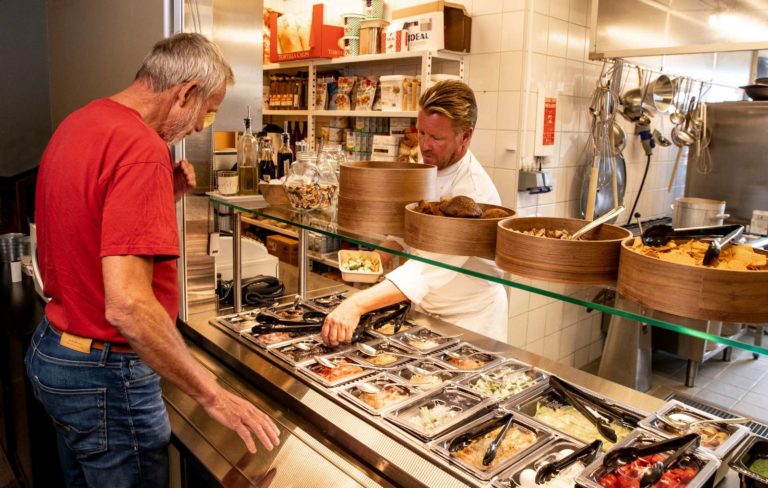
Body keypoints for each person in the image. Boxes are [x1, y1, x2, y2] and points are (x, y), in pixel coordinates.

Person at [26, 33, 280, 488]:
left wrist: (161, 195)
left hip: (57, 352)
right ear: (184, 92)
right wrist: (211, 393)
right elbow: (126, 305)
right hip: (107, 375)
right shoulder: (141, 148)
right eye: (207, 109)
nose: (202, 127)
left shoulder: (81, 122)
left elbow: (82, 219)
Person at [322, 80, 508, 345]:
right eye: (421, 133)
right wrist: (378, 257)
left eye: (436, 138)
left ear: (465, 136)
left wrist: (357, 304)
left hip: (470, 320)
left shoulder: (473, 194)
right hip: (425, 310)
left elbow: (428, 268)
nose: (425, 145)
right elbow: (411, 227)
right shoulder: (428, 164)